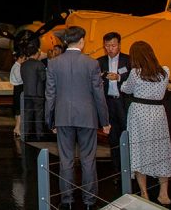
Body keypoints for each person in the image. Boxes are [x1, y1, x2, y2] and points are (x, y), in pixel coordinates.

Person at [45, 26, 110, 210]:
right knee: (88, 159)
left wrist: (50, 120)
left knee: (66, 160)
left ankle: (67, 201)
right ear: (81, 41)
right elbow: (99, 95)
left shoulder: (54, 63)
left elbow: (50, 95)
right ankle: (89, 202)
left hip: (63, 117)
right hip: (87, 118)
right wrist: (104, 121)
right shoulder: (92, 64)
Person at [121, 41, 171, 205]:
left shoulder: (136, 73)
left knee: (138, 151)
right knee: (161, 150)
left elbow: (126, 89)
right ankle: (163, 194)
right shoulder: (165, 71)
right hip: (158, 113)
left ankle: (144, 194)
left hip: (139, 113)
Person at [97, 31, 130, 176]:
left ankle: (130, 167)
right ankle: (117, 170)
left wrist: (118, 77)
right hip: (108, 103)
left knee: (127, 134)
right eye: (107, 46)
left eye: (113, 45)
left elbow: (132, 77)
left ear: (119, 45)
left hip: (123, 103)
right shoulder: (99, 62)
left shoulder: (128, 60)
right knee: (113, 138)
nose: (110, 48)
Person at [17, 31, 46, 141]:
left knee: (27, 114)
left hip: (26, 92)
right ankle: (39, 134)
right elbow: (43, 78)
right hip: (38, 93)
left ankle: (27, 133)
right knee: (38, 114)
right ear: (36, 54)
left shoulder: (23, 65)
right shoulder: (39, 64)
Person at [9, 51, 24, 137]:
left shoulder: (16, 66)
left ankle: (17, 128)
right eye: (24, 58)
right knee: (19, 110)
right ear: (20, 58)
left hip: (17, 89)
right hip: (18, 88)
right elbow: (19, 79)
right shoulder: (17, 67)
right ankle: (17, 128)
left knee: (18, 110)